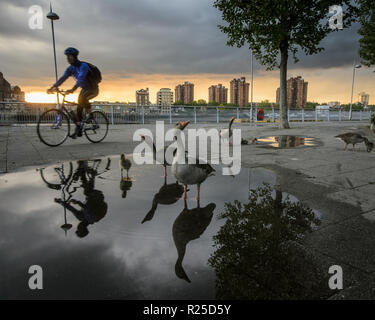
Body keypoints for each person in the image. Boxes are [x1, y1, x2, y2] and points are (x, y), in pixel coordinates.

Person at [47, 47, 99, 138]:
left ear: (75, 56)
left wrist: (73, 89)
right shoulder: (70, 69)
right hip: (84, 89)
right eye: (66, 56)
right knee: (79, 105)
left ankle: (91, 116)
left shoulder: (83, 66)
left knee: (81, 101)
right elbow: (63, 78)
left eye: (69, 56)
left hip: (93, 89)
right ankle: (78, 127)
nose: (67, 58)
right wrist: (53, 87)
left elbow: (81, 79)